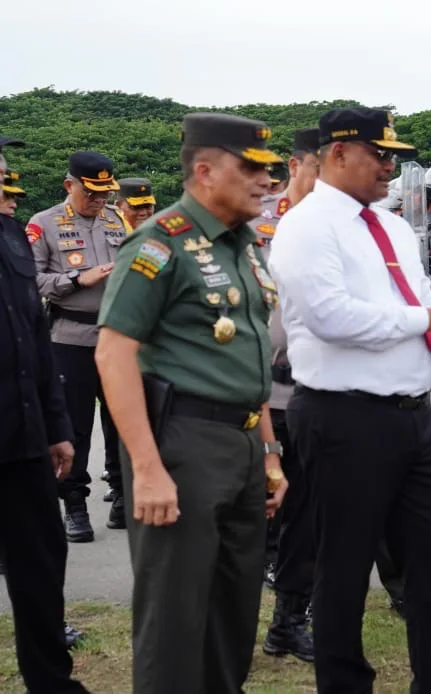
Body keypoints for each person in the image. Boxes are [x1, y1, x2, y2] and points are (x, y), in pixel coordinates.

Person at [268, 106, 431, 694]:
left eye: (393, 156)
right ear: (338, 154)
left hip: (413, 417)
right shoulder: (307, 224)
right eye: (379, 155)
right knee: (343, 567)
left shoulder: (388, 227)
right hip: (344, 417)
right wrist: (427, 317)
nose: (390, 167)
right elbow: (330, 317)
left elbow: (417, 295)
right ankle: (345, 685)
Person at [94, 112, 289, 694]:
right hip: (181, 445)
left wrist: (271, 453)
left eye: (269, 169)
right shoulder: (159, 243)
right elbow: (113, 355)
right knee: (175, 619)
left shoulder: (246, 247)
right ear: (204, 170)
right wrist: (147, 470)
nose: (265, 180)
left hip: (243, 443)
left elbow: (250, 362)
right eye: (250, 168)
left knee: (233, 610)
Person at [0, 150, 89, 694]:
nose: (8, 183)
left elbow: (32, 333)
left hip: (23, 435)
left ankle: (52, 683)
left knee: (40, 560)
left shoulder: (11, 235)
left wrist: (57, 426)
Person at [29, 151, 130, 539]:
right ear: (70, 185)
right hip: (69, 337)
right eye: (91, 192)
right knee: (75, 426)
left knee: (122, 420)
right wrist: (75, 279)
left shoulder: (116, 220)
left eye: (105, 192)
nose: (99, 199)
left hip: (116, 335)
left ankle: (122, 495)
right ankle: (74, 503)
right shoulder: (44, 224)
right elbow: (31, 279)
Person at [254, 126, 320, 662]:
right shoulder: (255, 220)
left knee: (312, 511)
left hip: (321, 389)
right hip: (265, 393)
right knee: (267, 506)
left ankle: (292, 615)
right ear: (296, 166)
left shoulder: (346, 226)